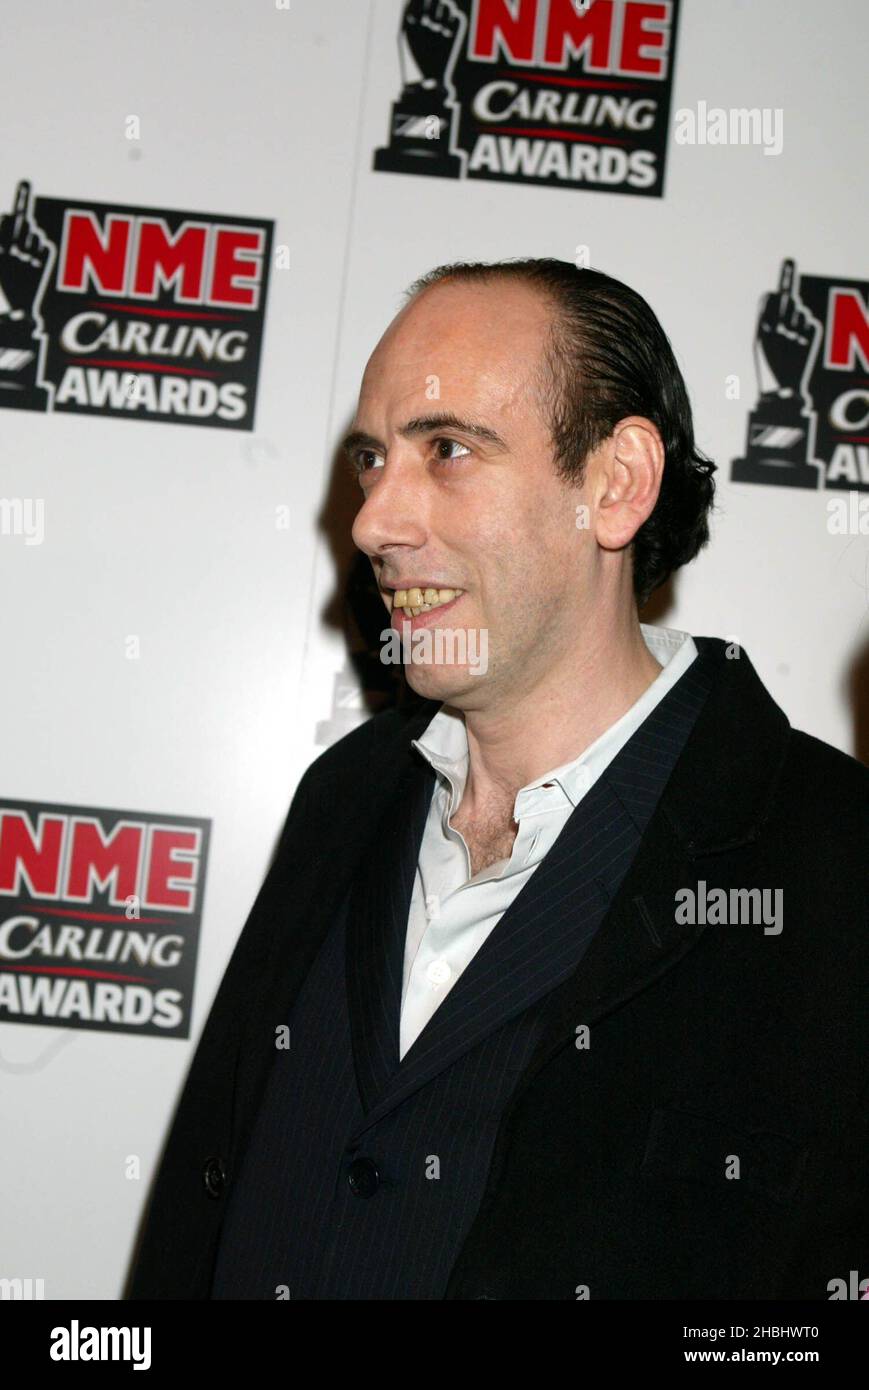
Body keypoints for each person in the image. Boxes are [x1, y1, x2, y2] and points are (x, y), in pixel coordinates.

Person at [127, 259, 867, 1301]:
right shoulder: (346, 795)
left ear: (613, 485)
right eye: (374, 458)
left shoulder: (829, 859)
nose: (375, 520)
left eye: (447, 451)